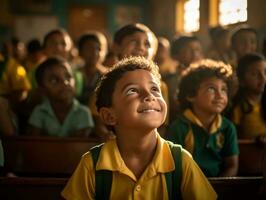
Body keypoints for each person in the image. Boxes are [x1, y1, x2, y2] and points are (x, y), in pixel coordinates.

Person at [61, 56, 217, 199]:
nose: (149, 96)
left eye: (155, 89)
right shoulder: (92, 164)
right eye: (132, 90)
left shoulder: (180, 161)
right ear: (109, 116)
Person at [167, 59, 239, 177]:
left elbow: (232, 166)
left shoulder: (228, 128)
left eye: (223, 89)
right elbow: (173, 168)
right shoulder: (179, 127)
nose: (220, 95)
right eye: (211, 89)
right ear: (191, 95)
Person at [112, 23, 170, 133]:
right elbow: (99, 122)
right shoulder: (107, 81)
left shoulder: (160, 86)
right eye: (133, 42)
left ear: (153, 52)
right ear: (116, 47)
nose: (141, 47)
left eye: (147, 44)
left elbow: (162, 125)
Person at [28, 56, 94, 137]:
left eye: (68, 76)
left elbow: (80, 145)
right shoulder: (39, 112)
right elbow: (35, 144)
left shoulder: (83, 113)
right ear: (42, 90)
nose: (65, 83)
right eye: (54, 80)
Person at [229, 53, 266, 140]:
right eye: (255, 74)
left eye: (265, 72)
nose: (263, 78)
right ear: (241, 80)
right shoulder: (239, 108)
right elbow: (237, 140)